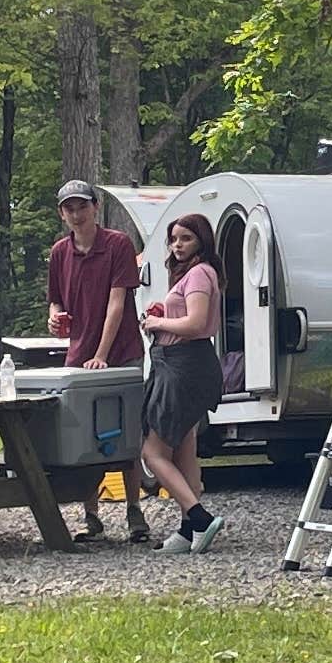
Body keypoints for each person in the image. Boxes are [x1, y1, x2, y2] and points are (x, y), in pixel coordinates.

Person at [44, 179, 145, 542]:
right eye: (69, 208)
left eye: (81, 206)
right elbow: (56, 301)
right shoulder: (59, 252)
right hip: (78, 352)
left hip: (122, 351)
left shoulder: (117, 243)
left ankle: (135, 510)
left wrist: (102, 355)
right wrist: (55, 317)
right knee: (84, 436)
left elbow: (117, 302)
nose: (76, 213)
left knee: (126, 432)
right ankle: (91, 514)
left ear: (95, 208)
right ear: (62, 213)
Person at [139, 211, 225, 553]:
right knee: (184, 447)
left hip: (184, 366)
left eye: (186, 238)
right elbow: (187, 318)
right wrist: (165, 313)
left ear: (202, 241)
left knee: (153, 452)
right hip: (180, 363)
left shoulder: (201, 273)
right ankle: (188, 531)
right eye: (174, 239)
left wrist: (157, 325)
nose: (177, 245)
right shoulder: (192, 274)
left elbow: (195, 323)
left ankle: (200, 517)